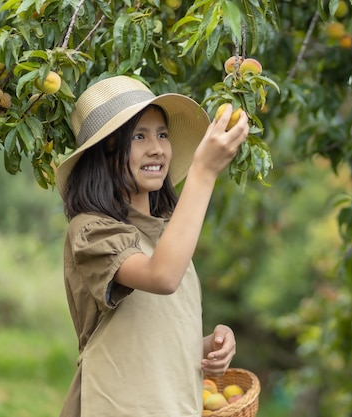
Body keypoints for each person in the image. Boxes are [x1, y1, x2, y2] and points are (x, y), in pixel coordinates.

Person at [56, 75, 249, 417]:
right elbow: (161, 276)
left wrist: (210, 347)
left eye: (162, 134)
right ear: (104, 154)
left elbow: (153, 335)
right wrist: (203, 171)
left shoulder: (166, 236)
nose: (157, 148)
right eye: (138, 137)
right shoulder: (90, 231)